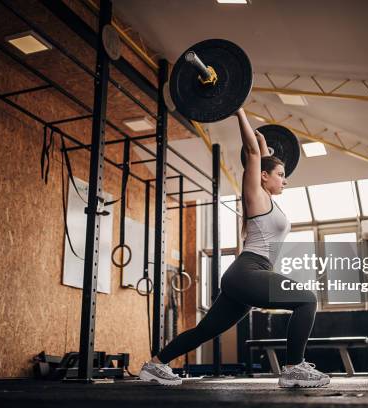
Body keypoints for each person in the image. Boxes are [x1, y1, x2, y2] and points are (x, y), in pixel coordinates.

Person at [138, 108, 329, 388]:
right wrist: (238, 108)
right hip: (248, 272)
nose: (285, 179)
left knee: (208, 329)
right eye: (281, 174)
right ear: (263, 176)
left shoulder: (267, 199)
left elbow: (260, 153)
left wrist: (264, 143)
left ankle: (155, 365)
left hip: (248, 275)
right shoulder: (255, 196)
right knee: (307, 299)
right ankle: (293, 368)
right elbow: (253, 154)